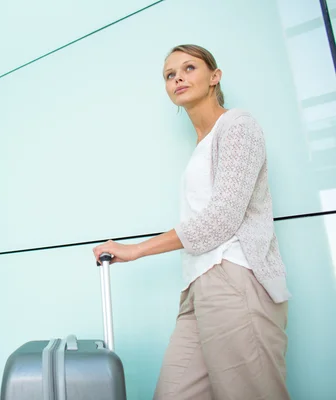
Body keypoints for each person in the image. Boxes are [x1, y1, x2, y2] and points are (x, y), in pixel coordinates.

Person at [92, 44, 291, 399]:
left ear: (214, 77)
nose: (178, 77)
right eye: (170, 74)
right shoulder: (202, 147)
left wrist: (137, 249)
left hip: (235, 278)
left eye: (189, 68)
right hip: (198, 288)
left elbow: (223, 217)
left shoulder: (238, 126)